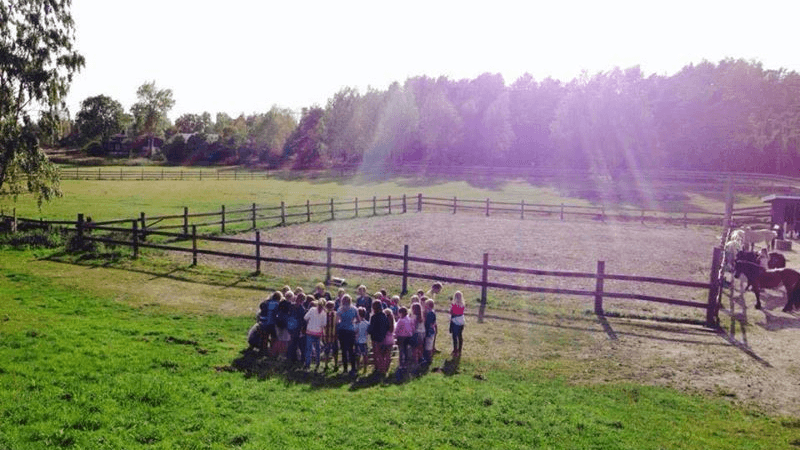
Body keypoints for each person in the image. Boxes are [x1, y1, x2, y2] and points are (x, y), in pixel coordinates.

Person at [337, 294, 358, 376]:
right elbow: (358, 319)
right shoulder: (354, 309)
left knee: (343, 350)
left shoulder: (340, 309)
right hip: (351, 330)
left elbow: (337, 321)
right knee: (351, 350)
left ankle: (345, 369)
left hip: (342, 330)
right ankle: (353, 368)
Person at [367, 300, 390, 375]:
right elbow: (387, 326)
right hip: (383, 337)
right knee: (382, 354)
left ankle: (380, 369)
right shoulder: (384, 316)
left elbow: (371, 328)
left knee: (377, 354)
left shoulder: (374, 317)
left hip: (375, 338)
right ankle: (382, 368)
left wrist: (369, 331)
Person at [303, 300, 327, 370]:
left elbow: (305, 317)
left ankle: (307, 364)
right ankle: (317, 363)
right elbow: (324, 324)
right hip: (318, 333)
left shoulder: (312, 309)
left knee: (309, 349)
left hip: (310, 331)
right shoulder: (324, 313)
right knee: (317, 349)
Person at [287, 293, 307, 364]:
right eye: (299, 299)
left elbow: (303, 321)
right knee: (294, 344)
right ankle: (294, 359)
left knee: (297, 344)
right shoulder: (295, 307)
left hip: (295, 328)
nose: (299, 300)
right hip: (294, 328)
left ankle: (297, 359)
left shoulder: (300, 309)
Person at [321, 301, 338, 370]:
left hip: (326, 335)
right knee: (335, 351)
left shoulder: (324, 314)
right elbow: (338, 323)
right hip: (334, 335)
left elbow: (322, 325)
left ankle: (326, 365)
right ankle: (335, 364)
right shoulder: (336, 314)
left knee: (327, 351)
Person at [449, 291, 466, 357]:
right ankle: (460, 350)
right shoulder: (463, 304)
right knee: (460, 335)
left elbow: (451, 312)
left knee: (454, 336)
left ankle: (455, 350)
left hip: (455, 320)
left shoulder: (454, 305)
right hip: (461, 320)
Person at [355, 307, 370, 374]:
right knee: (365, 355)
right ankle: (365, 369)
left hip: (357, 341)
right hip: (365, 341)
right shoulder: (367, 323)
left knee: (358, 356)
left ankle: (357, 367)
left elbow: (355, 331)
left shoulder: (357, 323)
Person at [410, 302, 425, 369]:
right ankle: (421, 358)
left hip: (416, 333)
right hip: (422, 333)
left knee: (415, 348)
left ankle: (415, 362)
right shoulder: (421, 316)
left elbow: (414, 327)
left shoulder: (415, 317)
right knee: (420, 347)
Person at [422, 298, 437, 365]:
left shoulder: (430, 313)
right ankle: (427, 359)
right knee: (428, 345)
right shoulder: (432, 312)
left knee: (428, 346)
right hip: (431, 330)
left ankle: (428, 360)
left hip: (429, 331)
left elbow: (428, 323)